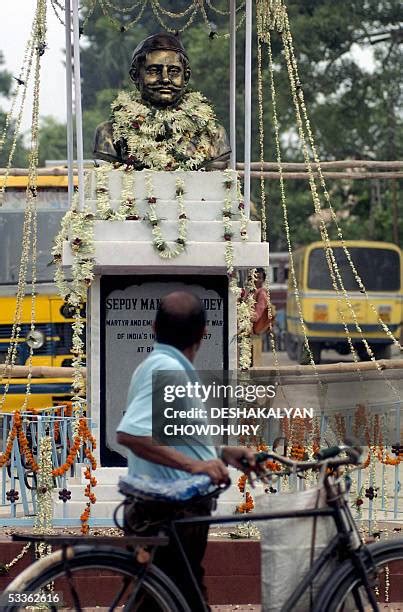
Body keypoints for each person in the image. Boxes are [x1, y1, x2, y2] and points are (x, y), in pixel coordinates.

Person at [116, 291, 257, 610]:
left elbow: (173, 436)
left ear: (153, 328)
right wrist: (196, 467)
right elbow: (131, 434)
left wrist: (219, 454)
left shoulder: (155, 366)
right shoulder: (167, 370)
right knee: (176, 599)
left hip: (168, 511)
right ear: (203, 334)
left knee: (170, 600)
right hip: (170, 513)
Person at [94, 32, 230, 168]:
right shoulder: (110, 133)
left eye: (174, 71)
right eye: (154, 70)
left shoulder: (213, 134)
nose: (165, 79)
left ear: (186, 77)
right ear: (135, 75)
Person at [251, 267, 274, 366]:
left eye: (259, 278)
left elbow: (257, 315)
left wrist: (243, 316)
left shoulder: (262, 294)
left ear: (263, 280)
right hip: (249, 333)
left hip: (253, 334)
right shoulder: (252, 291)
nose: (257, 280)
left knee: (253, 363)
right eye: (255, 277)